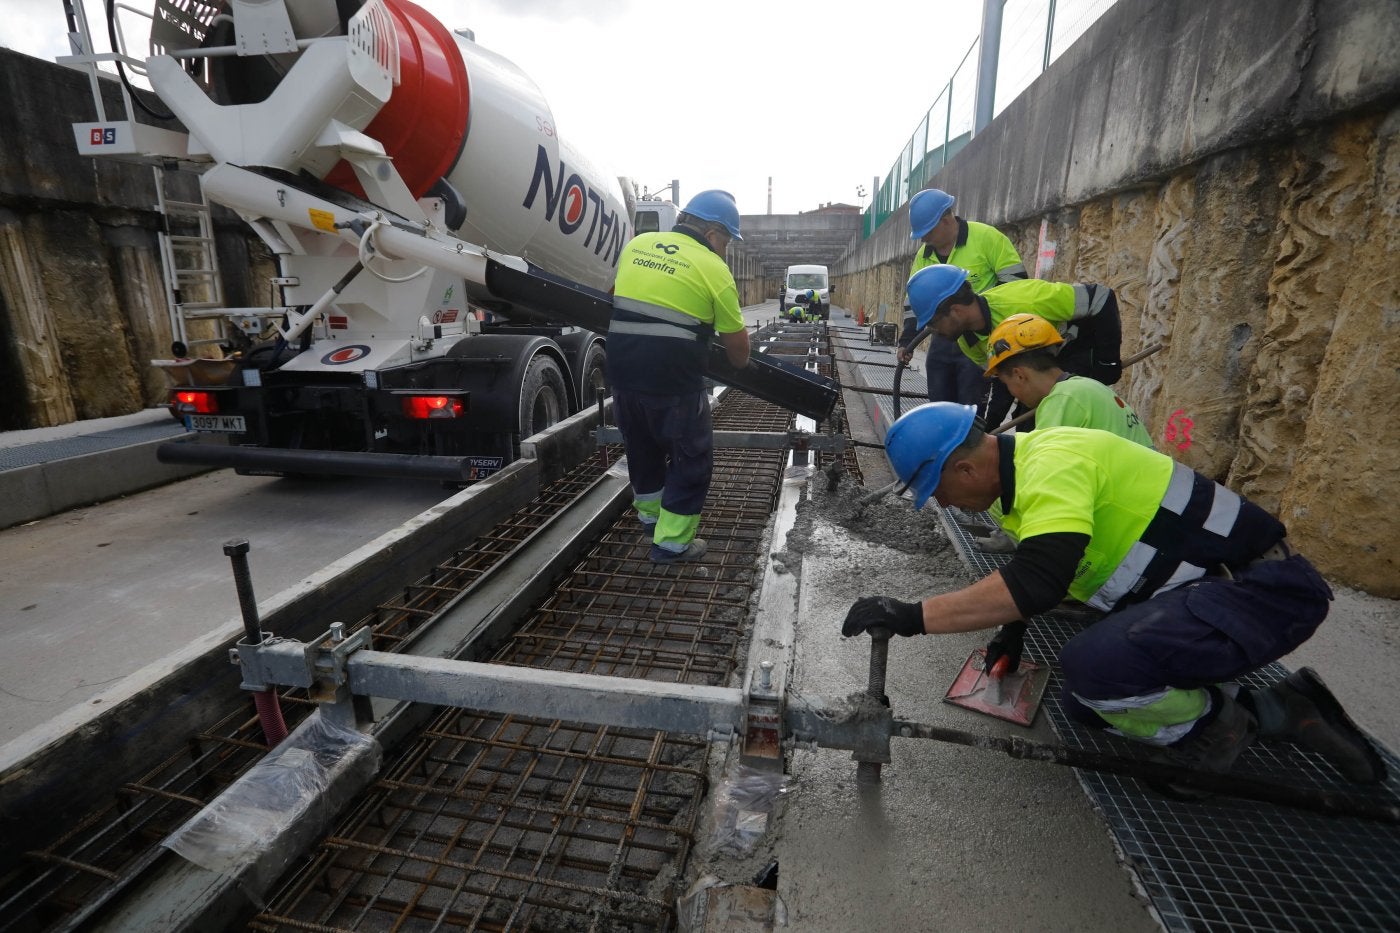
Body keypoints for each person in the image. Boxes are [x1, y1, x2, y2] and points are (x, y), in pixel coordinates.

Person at [841, 402, 1385, 787]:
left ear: (964, 467)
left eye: (942, 492)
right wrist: (1014, 626)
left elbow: (1038, 579)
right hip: (1214, 593)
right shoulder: (1023, 473)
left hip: (1263, 594)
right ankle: (1274, 707)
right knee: (1091, 704)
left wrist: (914, 615)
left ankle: (1231, 723)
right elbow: (1056, 567)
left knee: (1094, 669)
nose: (952, 506)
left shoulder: (1051, 465)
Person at [607, 190, 750, 564]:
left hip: (622, 376)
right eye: (728, 241)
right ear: (715, 232)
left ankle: (651, 521)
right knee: (691, 460)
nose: (726, 250)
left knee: (643, 452)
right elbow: (738, 351)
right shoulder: (713, 268)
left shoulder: (637, 246)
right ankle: (670, 546)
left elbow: (616, 296)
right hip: (673, 384)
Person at [907, 265, 1123, 428]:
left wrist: (1108, 361)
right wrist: (990, 426)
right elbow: (1005, 379)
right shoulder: (967, 342)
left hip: (1077, 350)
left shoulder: (1026, 299)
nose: (933, 331)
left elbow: (1101, 298)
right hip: (1038, 368)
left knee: (1055, 427)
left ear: (955, 311)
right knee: (1025, 429)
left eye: (933, 323)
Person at [896, 188, 1027, 414]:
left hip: (980, 340)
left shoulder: (986, 238)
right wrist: (907, 339)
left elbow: (1016, 283)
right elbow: (912, 302)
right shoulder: (924, 256)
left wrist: (979, 312)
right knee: (939, 403)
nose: (924, 238)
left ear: (946, 220)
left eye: (928, 231)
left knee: (970, 405)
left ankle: (971, 444)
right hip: (942, 336)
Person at [984, 312, 1152, 447]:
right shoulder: (1086, 386)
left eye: (1007, 384)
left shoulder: (1061, 401)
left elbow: (1043, 466)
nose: (1012, 392)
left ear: (1020, 375)